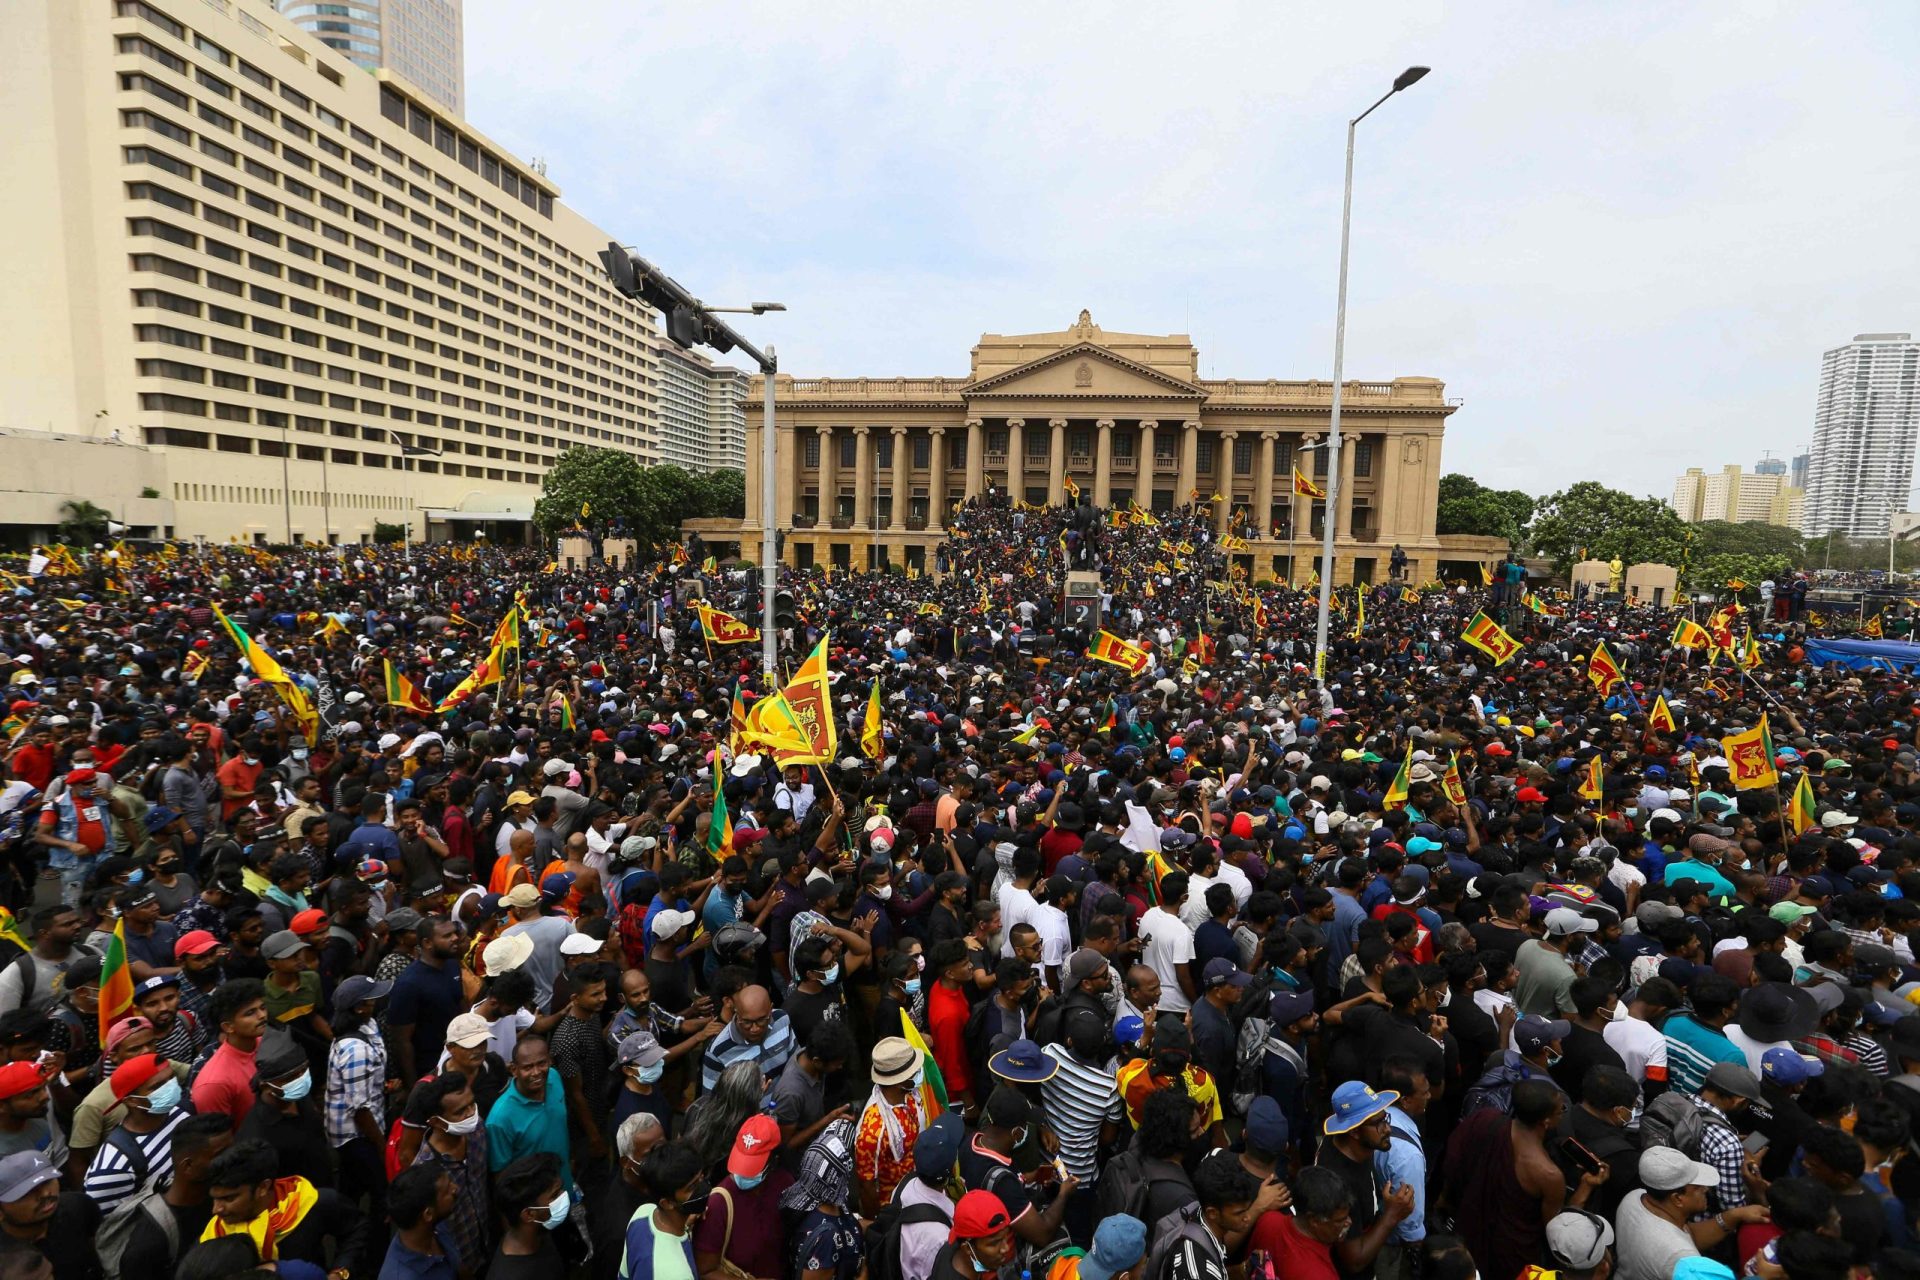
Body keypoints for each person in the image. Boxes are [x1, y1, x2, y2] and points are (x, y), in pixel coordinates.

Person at [200, 1138, 368, 1272]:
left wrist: (341, 1272)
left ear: (263, 1188)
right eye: (214, 1199)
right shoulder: (214, 1235)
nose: (216, 1210)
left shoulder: (312, 1204)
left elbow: (356, 1228)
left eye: (229, 1199)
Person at [111, 1113, 234, 1280]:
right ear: (188, 1166)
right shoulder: (148, 1243)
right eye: (222, 1155)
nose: (233, 1159)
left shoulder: (218, 1197)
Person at [1613, 1147, 1767, 1280]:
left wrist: (1734, 1215)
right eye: (1698, 1187)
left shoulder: (1635, 1198)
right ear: (1678, 1198)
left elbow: (1687, 1234)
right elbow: (1678, 1245)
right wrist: (1762, 1276)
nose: (1705, 1189)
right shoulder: (1681, 1259)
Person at [80, 1052, 187, 1211]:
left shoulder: (179, 1111)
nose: (170, 1087)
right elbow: (111, 1227)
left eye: (171, 1078)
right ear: (132, 1100)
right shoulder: (112, 1169)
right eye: (158, 1087)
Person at [692, 1115, 793, 1280]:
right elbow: (706, 1271)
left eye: (753, 1167)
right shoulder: (719, 1204)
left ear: (774, 1161)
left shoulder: (784, 1184)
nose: (744, 1173)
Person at [622, 1140, 704, 1280]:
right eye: (692, 1187)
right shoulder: (677, 1274)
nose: (703, 1189)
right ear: (667, 1203)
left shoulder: (643, 1213)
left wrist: (685, 1225)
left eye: (701, 1178)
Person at [490, 1151, 569, 1280]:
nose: (563, 1195)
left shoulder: (540, 1233)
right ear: (529, 1214)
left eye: (561, 1189)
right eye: (554, 1195)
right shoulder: (510, 1275)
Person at [379, 1164, 463, 1280]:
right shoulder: (401, 1276)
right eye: (447, 1190)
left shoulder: (437, 1225)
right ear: (428, 1214)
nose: (455, 1189)